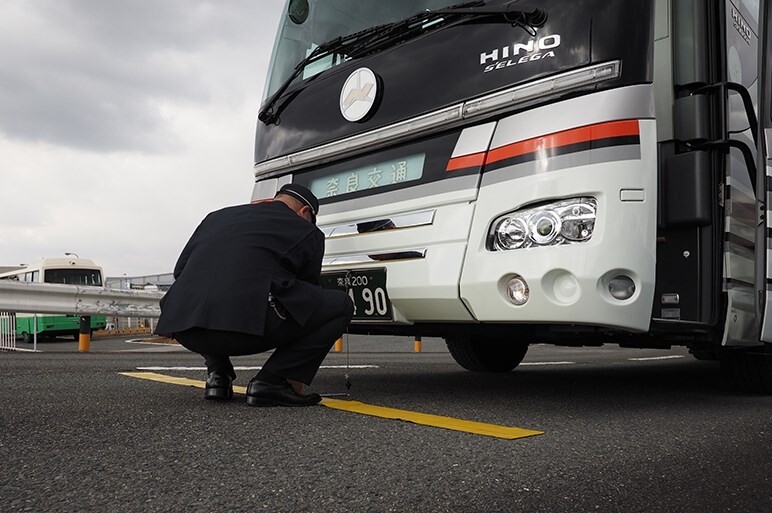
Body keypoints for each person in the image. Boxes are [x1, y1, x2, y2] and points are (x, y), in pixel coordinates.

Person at [155, 184, 353, 407]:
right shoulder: (305, 229)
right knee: (340, 306)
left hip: (186, 329)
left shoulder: (215, 217)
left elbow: (181, 271)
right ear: (305, 212)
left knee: (207, 292)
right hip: (245, 332)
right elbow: (308, 293)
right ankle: (273, 381)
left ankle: (218, 376)